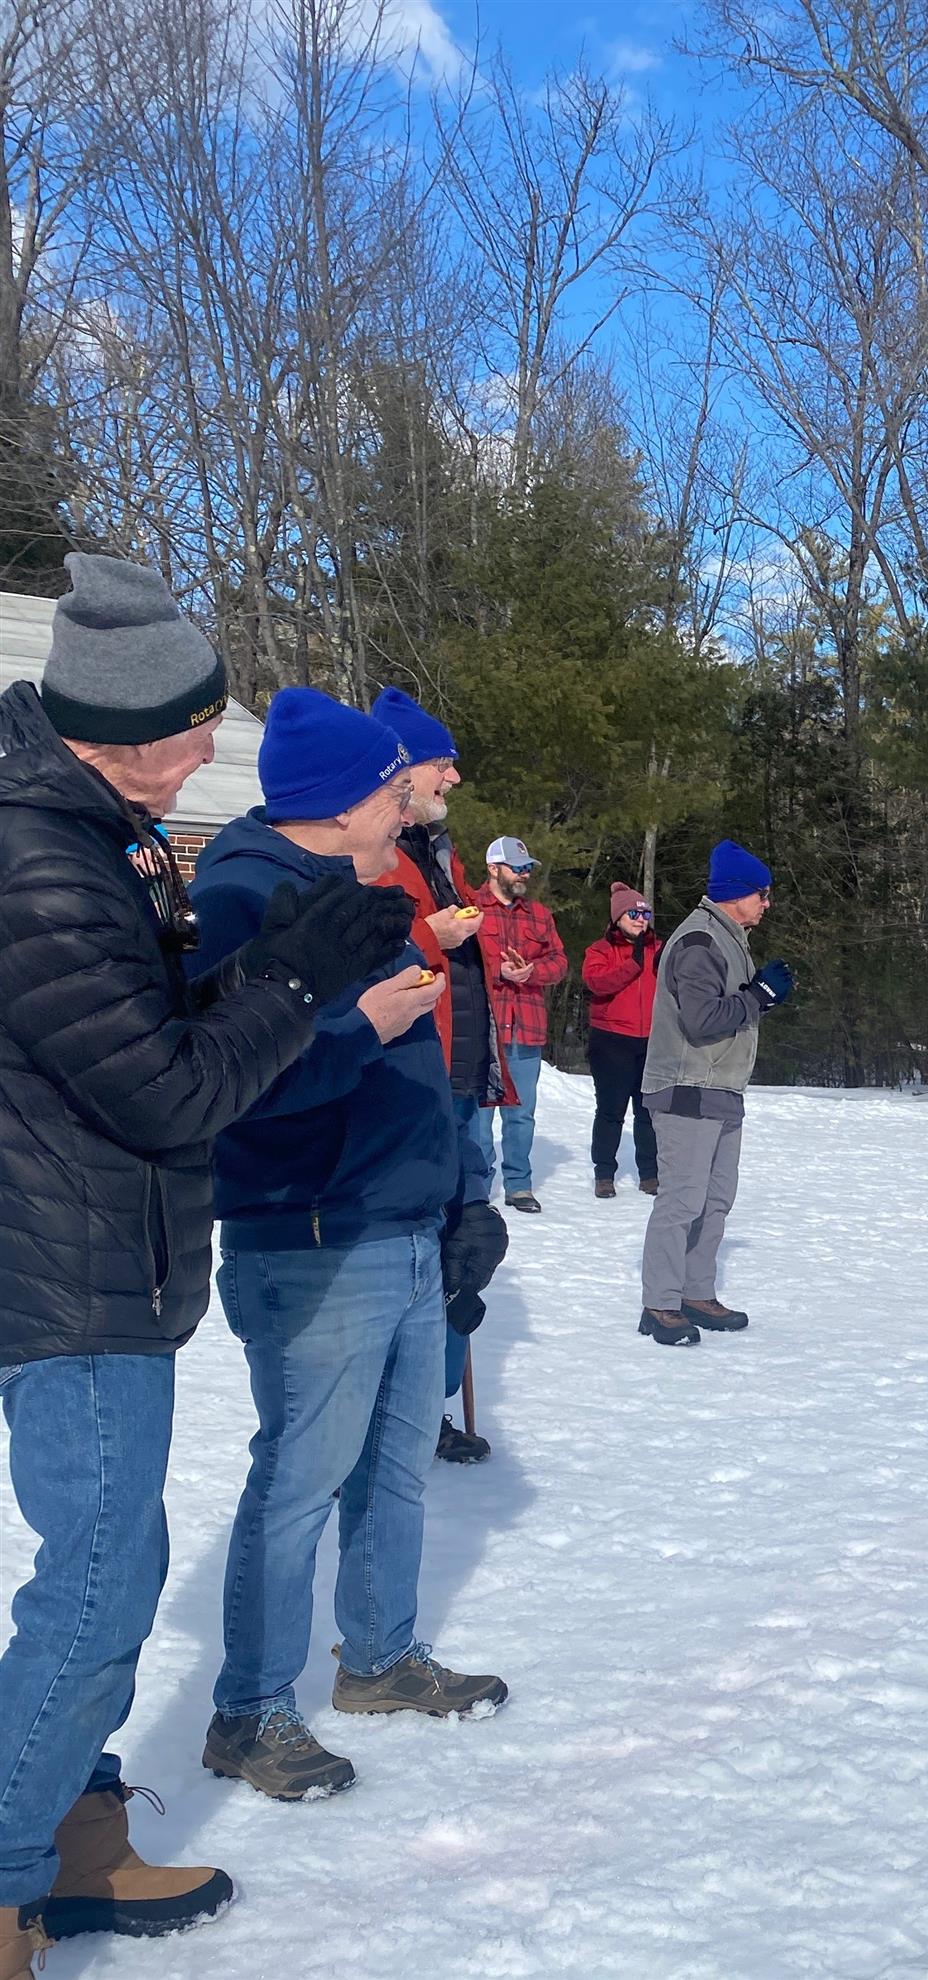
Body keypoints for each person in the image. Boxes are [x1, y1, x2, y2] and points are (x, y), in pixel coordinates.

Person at [0, 557, 409, 1978]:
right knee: (97, 1586)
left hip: (110, 1254)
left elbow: (152, 1024)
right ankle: (7, 1875)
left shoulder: (99, 830)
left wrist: (278, 962)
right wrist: (295, 986)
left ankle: (71, 1836)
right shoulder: (40, 860)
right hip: (67, 1267)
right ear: (128, 733)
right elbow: (169, 1093)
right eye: (195, 732)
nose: (210, 753)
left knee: (113, 1572)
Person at [191, 687, 508, 1807]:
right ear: (337, 802)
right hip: (313, 1234)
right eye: (391, 791)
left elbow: (415, 1072)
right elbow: (228, 1084)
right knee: (300, 1481)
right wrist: (359, 1029)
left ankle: (378, 1656)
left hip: (399, 1216)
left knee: (394, 1469)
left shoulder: (358, 888)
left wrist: (460, 1200)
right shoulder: (243, 896)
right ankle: (250, 1709)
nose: (409, 807)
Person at [369, 687, 510, 1465]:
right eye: (441, 763)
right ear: (401, 767)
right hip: (418, 1082)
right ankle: (393, 1417)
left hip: (460, 1081)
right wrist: (433, 933)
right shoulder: (377, 853)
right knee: (423, 1254)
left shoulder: (437, 850)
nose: (454, 777)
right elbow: (372, 962)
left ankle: (426, 1407)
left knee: (465, 1251)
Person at [638, 839, 792, 1345]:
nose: (767, 903)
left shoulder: (728, 938)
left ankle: (695, 1292)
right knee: (682, 1200)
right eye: (762, 894)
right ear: (736, 893)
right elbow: (702, 1020)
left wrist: (756, 998)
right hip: (688, 1088)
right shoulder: (700, 941)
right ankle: (660, 1304)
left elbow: (728, 1010)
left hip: (720, 1089)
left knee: (716, 1199)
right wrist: (758, 997)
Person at [474, 835, 568, 1211]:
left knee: (521, 1114)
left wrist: (532, 971)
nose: (524, 874)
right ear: (493, 868)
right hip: (483, 1028)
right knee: (479, 1115)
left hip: (526, 1028)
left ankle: (519, 1185)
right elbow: (457, 960)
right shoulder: (469, 908)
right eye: (516, 868)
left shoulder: (539, 914)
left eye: (527, 868)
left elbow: (559, 962)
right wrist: (498, 970)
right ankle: (477, 1189)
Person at [582, 882, 662, 1199]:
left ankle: (650, 1174)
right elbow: (597, 982)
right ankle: (604, 1173)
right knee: (611, 1111)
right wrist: (633, 964)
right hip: (611, 1041)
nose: (641, 920)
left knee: (648, 1112)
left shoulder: (659, 949)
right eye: (634, 914)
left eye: (646, 914)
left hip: (652, 1040)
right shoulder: (600, 950)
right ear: (618, 917)